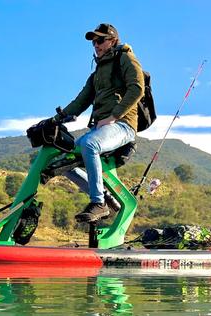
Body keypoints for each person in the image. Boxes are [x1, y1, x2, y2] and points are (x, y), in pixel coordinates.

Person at [55, 23, 144, 223]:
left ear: (113, 40)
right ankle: (105, 195)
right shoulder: (97, 74)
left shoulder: (125, 57)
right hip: (102, 126)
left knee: (89, 144)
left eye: (100, 40)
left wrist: (114, 116)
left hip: (123, 125)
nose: (96, 45)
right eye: (94, 42)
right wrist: (54, 120)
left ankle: (98, 203)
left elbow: (137, 89)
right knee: (62, 161)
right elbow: (80, 102)